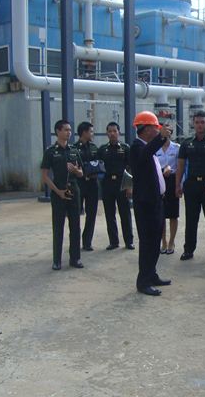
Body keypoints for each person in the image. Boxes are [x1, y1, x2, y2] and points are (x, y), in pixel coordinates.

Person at [130, 112, 172, 296]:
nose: (157, 131)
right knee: (148, 243)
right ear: (146, 129)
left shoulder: (147, 147)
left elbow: (148, 170)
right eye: (155, 128)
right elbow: (144, 155)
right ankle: (143, 281)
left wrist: (162, 172)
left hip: (156, 200)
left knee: (155, 241)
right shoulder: (137, 147)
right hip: (146, 203)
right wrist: (161, 138)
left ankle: (151, 274)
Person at [176, 110, 205, 261]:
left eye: (202, 122)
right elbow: (180, 166)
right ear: (193, 124)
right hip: (191, 184)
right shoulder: (186, 143)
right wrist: (177, 185)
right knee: (191, 219)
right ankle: (188, 250)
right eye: (197, 122)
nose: (199, 125)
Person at [40, 119, 84, 270]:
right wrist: (57, 191)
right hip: (58, 192)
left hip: (74, 191)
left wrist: (76, 171)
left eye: (70, 130)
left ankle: (75, 258)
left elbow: (81, 173)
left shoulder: (74, 150)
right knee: (58, 226)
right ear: (58, 131)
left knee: (75, 226)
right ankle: (57, 260)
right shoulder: (51, 151)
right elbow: (45, 176)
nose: (69, 133)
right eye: (66, 130)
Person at [98, 122, 135, 251]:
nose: (112, 133)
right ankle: (113, 242)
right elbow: (98, 166)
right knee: (110, 214)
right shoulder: (102, 149)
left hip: (122, 184)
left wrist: (129, 186)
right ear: (107, 133)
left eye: (115, 131)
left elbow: (130, 168)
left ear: (119, 132)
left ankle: (129, 241)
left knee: (125, 213)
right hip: (108, 184)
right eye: (110, 131)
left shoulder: (125, 148)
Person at [74, 122, 100, 251]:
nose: (92, 134)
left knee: (91, 214)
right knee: (75, 214)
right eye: (91, 131)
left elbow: (98, 163)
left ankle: (87, 242)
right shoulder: (74, 148)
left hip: (92, 184)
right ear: (84, 132)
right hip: (79, 184)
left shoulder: (94, 147)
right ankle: (75, 241)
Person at [155, 128, 180, 254]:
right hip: (160, 180)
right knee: (161, 214)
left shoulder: (177, 148)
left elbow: (181, 166)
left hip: (173, 180)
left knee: (173, 214)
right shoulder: (155, 147)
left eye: (168, 131)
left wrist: (179, 185)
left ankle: (171, 241)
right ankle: (163, 241)